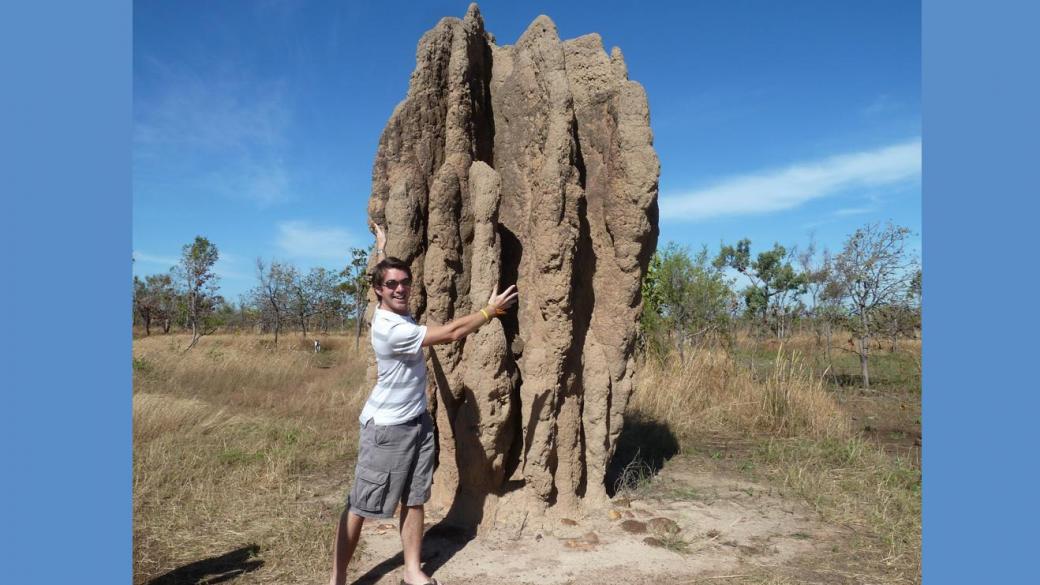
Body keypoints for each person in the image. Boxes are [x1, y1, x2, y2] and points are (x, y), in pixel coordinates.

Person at [328, 222, 518, 585]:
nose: (400, 289)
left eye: (404, 282)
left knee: (415, 498)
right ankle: (337, 579)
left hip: (417, 422)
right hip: (386, 429)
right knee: (360, 506)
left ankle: (413, 570)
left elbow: (385, 274)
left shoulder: (394, 308)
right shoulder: (390, 327)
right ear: (378, 292)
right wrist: (488, 312)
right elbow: (450, 334)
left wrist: (382, 248)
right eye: (391, 285)